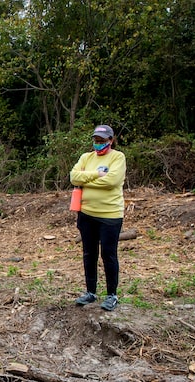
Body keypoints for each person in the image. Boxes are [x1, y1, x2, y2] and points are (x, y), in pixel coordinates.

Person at [69, 124, 126, 311]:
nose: (98, 144)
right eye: (96, 140)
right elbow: (73, 177)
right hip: (86, 214)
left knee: (108, 254)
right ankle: (91, 292)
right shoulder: (86, 157)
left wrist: (86, 180)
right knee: (89, 253)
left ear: (111, 140)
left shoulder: (118, 157)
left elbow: (112, 181)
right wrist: (96, 174)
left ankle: (112, 295)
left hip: (110, 215)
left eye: (102, 141)